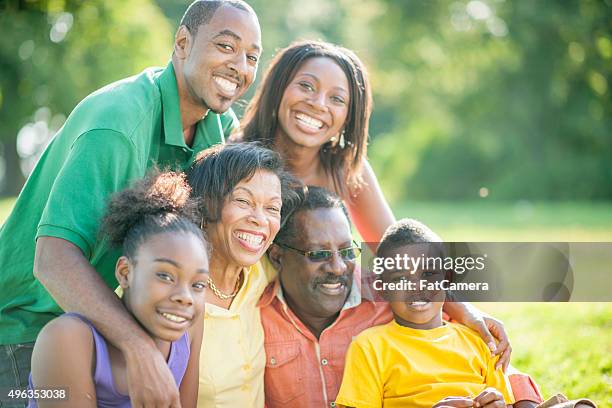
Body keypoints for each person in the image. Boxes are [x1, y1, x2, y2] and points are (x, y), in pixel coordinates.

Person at [0, 1, 261, 406]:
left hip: (106, 332)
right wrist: (140, 350)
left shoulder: (217, 129)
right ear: (182, 43)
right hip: (24, 335)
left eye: (252, 57)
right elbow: (52, 260)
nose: (239, 65)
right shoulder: (119, 121)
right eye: (226, 46)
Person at [259, 188, 543, 408]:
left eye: (347, 252)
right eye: (318, 254)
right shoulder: (255, 317)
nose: (337, 267)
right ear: (277, 256)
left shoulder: (392, 303)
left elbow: (473, 357)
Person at [335, 219, 595, 408]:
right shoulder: (370, 346)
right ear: (383, 287)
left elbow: (505, 398)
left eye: (428, 274)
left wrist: (496, 403)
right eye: (401, 278)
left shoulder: (474, 339)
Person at [28, 171, 209, 408]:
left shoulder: (189, 327)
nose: (185, 297)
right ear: (125, 272)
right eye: (165, 275)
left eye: (197, 285)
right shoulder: (67, 338)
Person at [234, 40, 395, 243]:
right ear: (279, 88)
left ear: (349, 117)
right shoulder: (233, 157)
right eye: (306, 86)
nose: (318, 104)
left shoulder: (345, 168)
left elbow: (395, 252)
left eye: (336, 99)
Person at [186, 142, 301, 407]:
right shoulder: (170, 295)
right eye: (243, 201)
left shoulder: (261, 272)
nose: (260, 219)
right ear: (205, 206)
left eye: (272, 208)